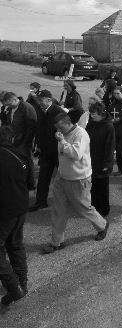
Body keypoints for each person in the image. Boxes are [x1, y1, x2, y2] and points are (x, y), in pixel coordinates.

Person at [42, 113, 109, 254]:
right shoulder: (62, 133)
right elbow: (61, 154)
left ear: (67, 123)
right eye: (56, 128)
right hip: (62, 177)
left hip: (79, 179)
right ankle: (57, 242)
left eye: (60, 127)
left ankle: (102, 225)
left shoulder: (81, 134)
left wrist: (62, 141)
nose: (58, 131)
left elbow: (75, 155)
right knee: (58, 210)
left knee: (84, 208)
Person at [0, 126, 30, 307]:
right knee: (15, 245)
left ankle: (14, 287)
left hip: (5, 212)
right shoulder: (20, 155)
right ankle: (22, 284)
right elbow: (30, 182)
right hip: (20, 207)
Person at [29, 90, 64, 212]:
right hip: (45, 151)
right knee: (43, 177)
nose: (39, 102)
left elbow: (66, 130)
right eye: (38, 100)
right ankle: (40, 202)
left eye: (41, 100)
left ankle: (71, 201)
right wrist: (38, 145)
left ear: (49, 99)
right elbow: (39, 129)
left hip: (58, 151)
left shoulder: (58, 111)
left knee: (64, 177)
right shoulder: (40, 111)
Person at [2, 92, 37, 190]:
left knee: (27, 160)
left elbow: (31, 128)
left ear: (12, 100)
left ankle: (31, 183)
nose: (7, 106)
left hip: (25, 141)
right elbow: (10, 122)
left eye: (8, 104)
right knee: (18, 160)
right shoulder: (11, 108)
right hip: (15, 140)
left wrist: (26, 142)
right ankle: (21, 179)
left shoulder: (26, 108)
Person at [86, 102, 115, 217]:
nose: (92, 116)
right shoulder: (92, 123)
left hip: (102, 161)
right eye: (91, 114)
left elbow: (110, 147)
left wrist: (107, 164)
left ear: (101, 114)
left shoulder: (108, 127)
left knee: (102, 187)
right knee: (92, 185)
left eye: (94, 114)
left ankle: (104, 210)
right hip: (91, 159)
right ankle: (94, 206)